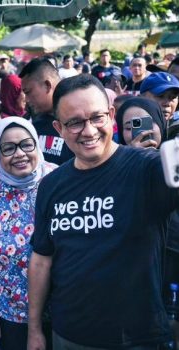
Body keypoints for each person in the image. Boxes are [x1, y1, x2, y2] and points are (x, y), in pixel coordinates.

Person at [28, 73, 179, 350]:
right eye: (74, 122)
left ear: (110, 115)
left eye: (96, 117)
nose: (88, 131)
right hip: (68, 335)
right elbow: (41, 259)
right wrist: (35, 329)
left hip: (136, 339)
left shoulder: (147, 169)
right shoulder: (50, 185)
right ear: (59, 128)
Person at [0, 117, 56, 350]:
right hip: (12, 315)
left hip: (64, 312)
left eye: (26, 144)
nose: (20, 154)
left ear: (36, 144)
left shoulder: (60, 183)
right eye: (8, 148)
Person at [19, 57, 74, 165]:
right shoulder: (28, 123)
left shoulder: (81, 120)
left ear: (47, 86)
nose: (26, 99)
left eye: (28, 92)